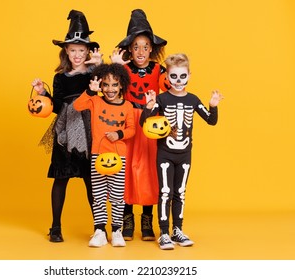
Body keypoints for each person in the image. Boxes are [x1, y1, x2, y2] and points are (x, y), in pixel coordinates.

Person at [31, 10, 102, 242]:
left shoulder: (95, 73)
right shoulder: (60, 77)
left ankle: (99, 227)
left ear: (88, 51)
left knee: (92, 180)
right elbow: (58, 106)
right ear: (66, 52)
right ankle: (56, 226)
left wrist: (101, 66)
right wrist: (44, 95)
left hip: (90, 131)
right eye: (73, 50)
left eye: (82, 50)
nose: (78, 55)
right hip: (65, 132)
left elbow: (112, 90)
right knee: (61, 178)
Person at [140, 53, 224, 250]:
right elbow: (145, 124)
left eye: (182, 76)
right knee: (165, 192)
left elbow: (211, 121)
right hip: (165, 153)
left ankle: (177, 230)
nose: (178, 81)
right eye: (174, 77)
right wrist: (149, 107)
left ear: (189, 76)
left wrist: (213, 106)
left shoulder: (193, 100)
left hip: (185, 153)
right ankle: (163, 233)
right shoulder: (161, 99)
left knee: (180, 193)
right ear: (167, 77)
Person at [110, 9, 168, 241]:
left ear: (151, 48)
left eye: (145, 46)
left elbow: (173, 89)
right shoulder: (122, 70)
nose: (141, 51)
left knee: (148, 172)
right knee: (125, 171)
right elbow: (109, 86)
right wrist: (114, 65)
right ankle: (126, 218)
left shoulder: (159, 70)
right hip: (126, 122)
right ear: (129, 49)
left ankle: (147, 219)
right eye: (136, 47)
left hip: (150, 123)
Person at [73, 63, 135, 247]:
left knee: (117, 195)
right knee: (98, 194)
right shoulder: (95, 101)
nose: (110, 89)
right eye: (106, 85)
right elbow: (77, 106)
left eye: (114, 85)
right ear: (101, 85)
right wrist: (90, 92)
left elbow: (131, 129)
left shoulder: (128, 106)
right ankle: (99, 230)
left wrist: (119, 134)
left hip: (118, 156)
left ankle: (117, 230)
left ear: (121, 85)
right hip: (97, 155)